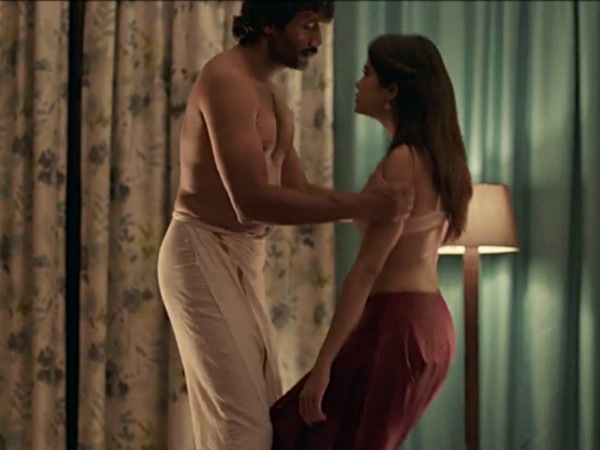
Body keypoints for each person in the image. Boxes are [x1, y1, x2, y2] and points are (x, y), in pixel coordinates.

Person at [156, 2, 415, 450]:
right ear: (268, 23)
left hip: (243, 256)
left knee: (262, 421)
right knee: (244, 430)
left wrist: (366, 208)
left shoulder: (271, 95)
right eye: (308, 25)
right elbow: (251, 202)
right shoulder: (226, 81)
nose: (317, 40)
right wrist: (364, 204)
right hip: (201, 250)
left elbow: (298, 189)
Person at [270, 33, 474, 450]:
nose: (358, 82)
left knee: (292, 430)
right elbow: (330, 201)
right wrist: (285, 139)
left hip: (397, 324)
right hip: (430, 323)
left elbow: (366, 270)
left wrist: (323, 365)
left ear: (391, 91)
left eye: (367, 73)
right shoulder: (439, 157)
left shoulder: (403, 161)